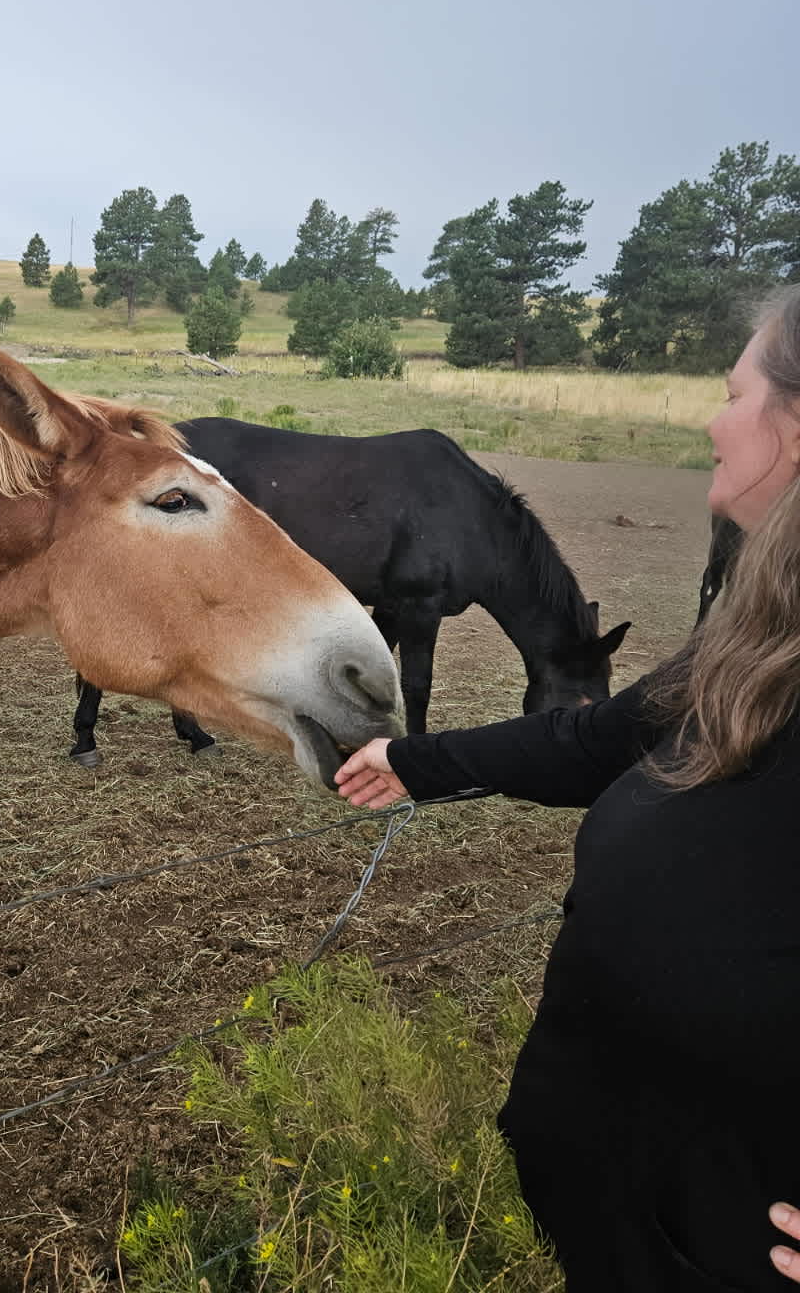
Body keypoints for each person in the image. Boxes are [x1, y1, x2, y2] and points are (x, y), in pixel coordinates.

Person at [335, 287, 800, 1291]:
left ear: (796, 426)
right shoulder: (754, 651)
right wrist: (419, 761)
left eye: (734, 394)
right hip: (618, 1209)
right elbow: (596, 740)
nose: (713, 422)